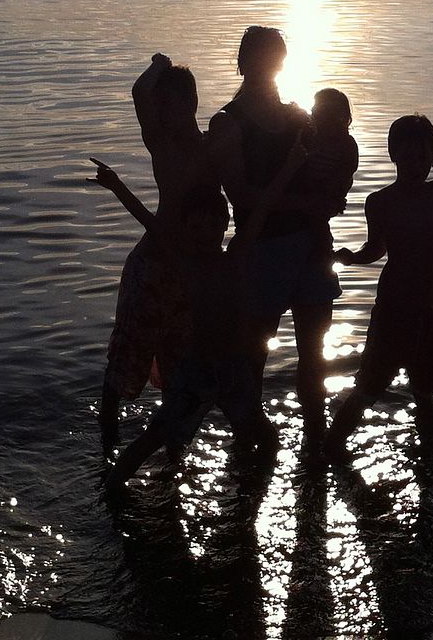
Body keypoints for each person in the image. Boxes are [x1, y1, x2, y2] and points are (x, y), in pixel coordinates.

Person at [95, 139, 306, 492]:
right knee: (157, 435)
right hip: (195, 369)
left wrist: (291, 166)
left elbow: (264, 207)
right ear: (185, 230)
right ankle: (111, 487)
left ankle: (253, 499)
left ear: (224, 226)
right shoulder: (185, 264)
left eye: (212, 227)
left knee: (266, 438)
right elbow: (150, 222)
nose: (204, 235)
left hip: (234, 367)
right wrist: (117, 185)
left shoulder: (234, 259)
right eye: (195, 228)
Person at [324, 114, 433, 458]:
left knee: (424, 390)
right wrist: (351, 258)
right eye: (408, 157)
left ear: (432, 156)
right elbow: (377, 249)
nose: (416, 165)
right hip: (393, 308)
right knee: (368, 386)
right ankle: (330, 449)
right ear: (393, 155)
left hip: (430, 309)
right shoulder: (379, 201)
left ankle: (431, 456)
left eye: (423, 157)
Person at [208, 27, 337, 441]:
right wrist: (303, 204)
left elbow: (323, 172)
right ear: (243, 63)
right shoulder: (228, 123)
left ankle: (316, 436)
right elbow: (240, 194)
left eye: (276, 60)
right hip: (263, 250)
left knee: (314, 352)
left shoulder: (300, 117)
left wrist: (332, 193)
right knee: (253, 354)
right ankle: (250, 438)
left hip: (313, 245)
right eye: (261, 59)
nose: (269, 68)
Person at [96, 54, 213, 455]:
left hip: (190, 276)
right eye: (161, 107)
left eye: (173, 104)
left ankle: (173, 453)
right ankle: (108, 452)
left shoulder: (212, 148)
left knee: (180, 370)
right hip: (152, 268)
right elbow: (139, 91)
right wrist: (157, 64)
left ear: (192, 103)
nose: (164, 113)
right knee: (123, 366)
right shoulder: (161, 144)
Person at [305, 88, 360, 261]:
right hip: (307, 203)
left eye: (329, 113)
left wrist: (333, 196)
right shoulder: (308, 138)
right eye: (318, 112)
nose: (322, 118)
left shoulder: (346, 145)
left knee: (319, 240)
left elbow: (344, 176)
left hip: (322, 204)